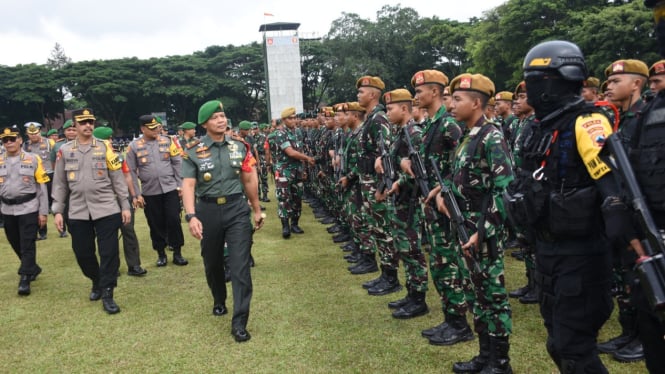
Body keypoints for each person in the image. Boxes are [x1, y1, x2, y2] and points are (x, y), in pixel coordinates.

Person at [520, 40, 630, 373]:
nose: (531, 90)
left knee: (573, 348)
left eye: (535, 81)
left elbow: (611, 184)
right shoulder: (540, 128)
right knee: (558, 343)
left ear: (554, 80)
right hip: (548, 250)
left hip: (581, 256)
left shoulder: (587, 122)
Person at [436, 73, 514, 373]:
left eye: (457, 99)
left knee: (493, 295)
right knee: (475, 294)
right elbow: (460, 179)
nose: (451, 105)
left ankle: (501, 361)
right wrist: (444, 194)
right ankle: (485, 356)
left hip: (483, 230)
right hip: (465, 226)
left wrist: (483, 232)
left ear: (477, 102)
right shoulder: (467, 136)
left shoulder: (491, 136)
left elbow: (504, 189)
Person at [181, 99, 264, 343]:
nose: (221, 120)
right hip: (207, 210)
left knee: (240, 267)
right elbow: (188, 185)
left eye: (223, 115)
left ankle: (239, 322)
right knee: (212, 263)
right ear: (204, 123)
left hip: (237, 209)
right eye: (215, 117)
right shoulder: (193, 150)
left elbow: (249, 180)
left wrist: (257, 209)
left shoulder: (240, 146)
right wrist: (191, 215)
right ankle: (219, 298)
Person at [409, 69, 470, 346]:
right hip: (432, 204)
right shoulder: (432, 124)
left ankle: (459, 323)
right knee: (439, 263)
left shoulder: (448, 125)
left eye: (420, 91)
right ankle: (450, 318)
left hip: (446, 204)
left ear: (435, 91)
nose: (416, 96)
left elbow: (462, 165)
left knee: (449, 263)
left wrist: (443, 187)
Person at [52, 108, 131, 314]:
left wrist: (125, 205)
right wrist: (58, 210)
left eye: (91, 122)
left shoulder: (106, 148)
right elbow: (59, 183)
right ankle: (96, 279)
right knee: (83, 253)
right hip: (77, 210)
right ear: (74, 126)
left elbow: (117, 178)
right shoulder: (65, 151)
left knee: (109, 252)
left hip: (106, 207)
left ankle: (107, 292)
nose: (88, 126)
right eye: (83, 122)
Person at [378, 88, 429, 319]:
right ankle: (411, 294)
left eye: (390, 109)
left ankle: (419, 298)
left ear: (405, 109)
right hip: (400, 200)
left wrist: (400, 180)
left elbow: (420, 167)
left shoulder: (414, 132)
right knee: (404, 249)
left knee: (413, 250)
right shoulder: (401, 132)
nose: (387, 113)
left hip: (410, 201)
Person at [126, 115, 188, 267]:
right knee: (155, 223)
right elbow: (131, 172)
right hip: (149, 191)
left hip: (170, 188)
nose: (156, 131)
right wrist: (136, 194)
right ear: (143, 129)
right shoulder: (134, 146)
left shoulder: (167, 141)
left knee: (174, 219)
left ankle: (177, 252)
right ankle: (161, 253)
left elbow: (177, 163)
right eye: (152, 128)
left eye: (157, 128)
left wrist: (180, 185)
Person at [0, 125, 49, 296]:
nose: (9, 142)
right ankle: (32, 267)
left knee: (27, 243)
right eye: (5, 140)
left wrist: (43, 212)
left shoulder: (33, 158)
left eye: (12, 139)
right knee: (14, 241)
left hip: (29, 207)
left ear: (20, 140)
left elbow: (42, 186)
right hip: (7, 208)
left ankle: (25, 278)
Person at [93, 126, 147, 277]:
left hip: (123, 198)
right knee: (107, 235)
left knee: (129, 231)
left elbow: (127, 176)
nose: (111, 141)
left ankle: (134, 265)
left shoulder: (118, 156)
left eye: (111, 138)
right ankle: (112, 267)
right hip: (104, 200)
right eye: (107, 139)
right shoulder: (91, 157)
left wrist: (134, 195)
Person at [272, 107, 315, 238]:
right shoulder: (280, 133)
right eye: (290, 118)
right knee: (284, 198)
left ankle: (295, 224)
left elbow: (300, 149)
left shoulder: (298, 133)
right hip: (284, 170)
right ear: (284, 120)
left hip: (297, 170)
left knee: (297, 198)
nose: (294, 120)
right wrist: (307, 158)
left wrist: (304, 169)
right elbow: (290, 152)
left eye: (295, 117)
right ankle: (285, 227)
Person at [23, 121, 55, 241]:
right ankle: (41, 231)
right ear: (27, 134)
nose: (34, 136)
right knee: (36, 205)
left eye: (36, 133)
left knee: (53, 203)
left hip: (49, 175)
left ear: (40, 132)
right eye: (31, 134)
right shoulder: (25, 146)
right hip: (32, 178)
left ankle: (62, 229)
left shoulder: (49, 142)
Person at [50, 119, 77, 238]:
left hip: (78, 181)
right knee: (64, 206)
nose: (71, 132)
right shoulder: (58, 145)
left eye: (74, 129)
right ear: (64, 132)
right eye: (69, 130)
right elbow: (53, 163)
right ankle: (64, 228)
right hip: (64, 181)